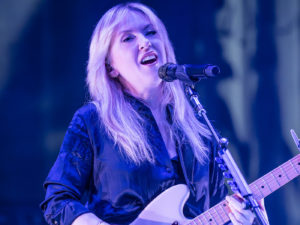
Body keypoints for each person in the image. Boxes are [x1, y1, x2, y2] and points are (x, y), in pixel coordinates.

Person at [40, 2, 268, 225]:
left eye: (151, 32)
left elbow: (212, 213)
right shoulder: (93, 121)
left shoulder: (201, 132)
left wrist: (240, 221)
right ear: (110, 66)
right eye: (128, 38)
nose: (145, 42)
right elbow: (57, 201)